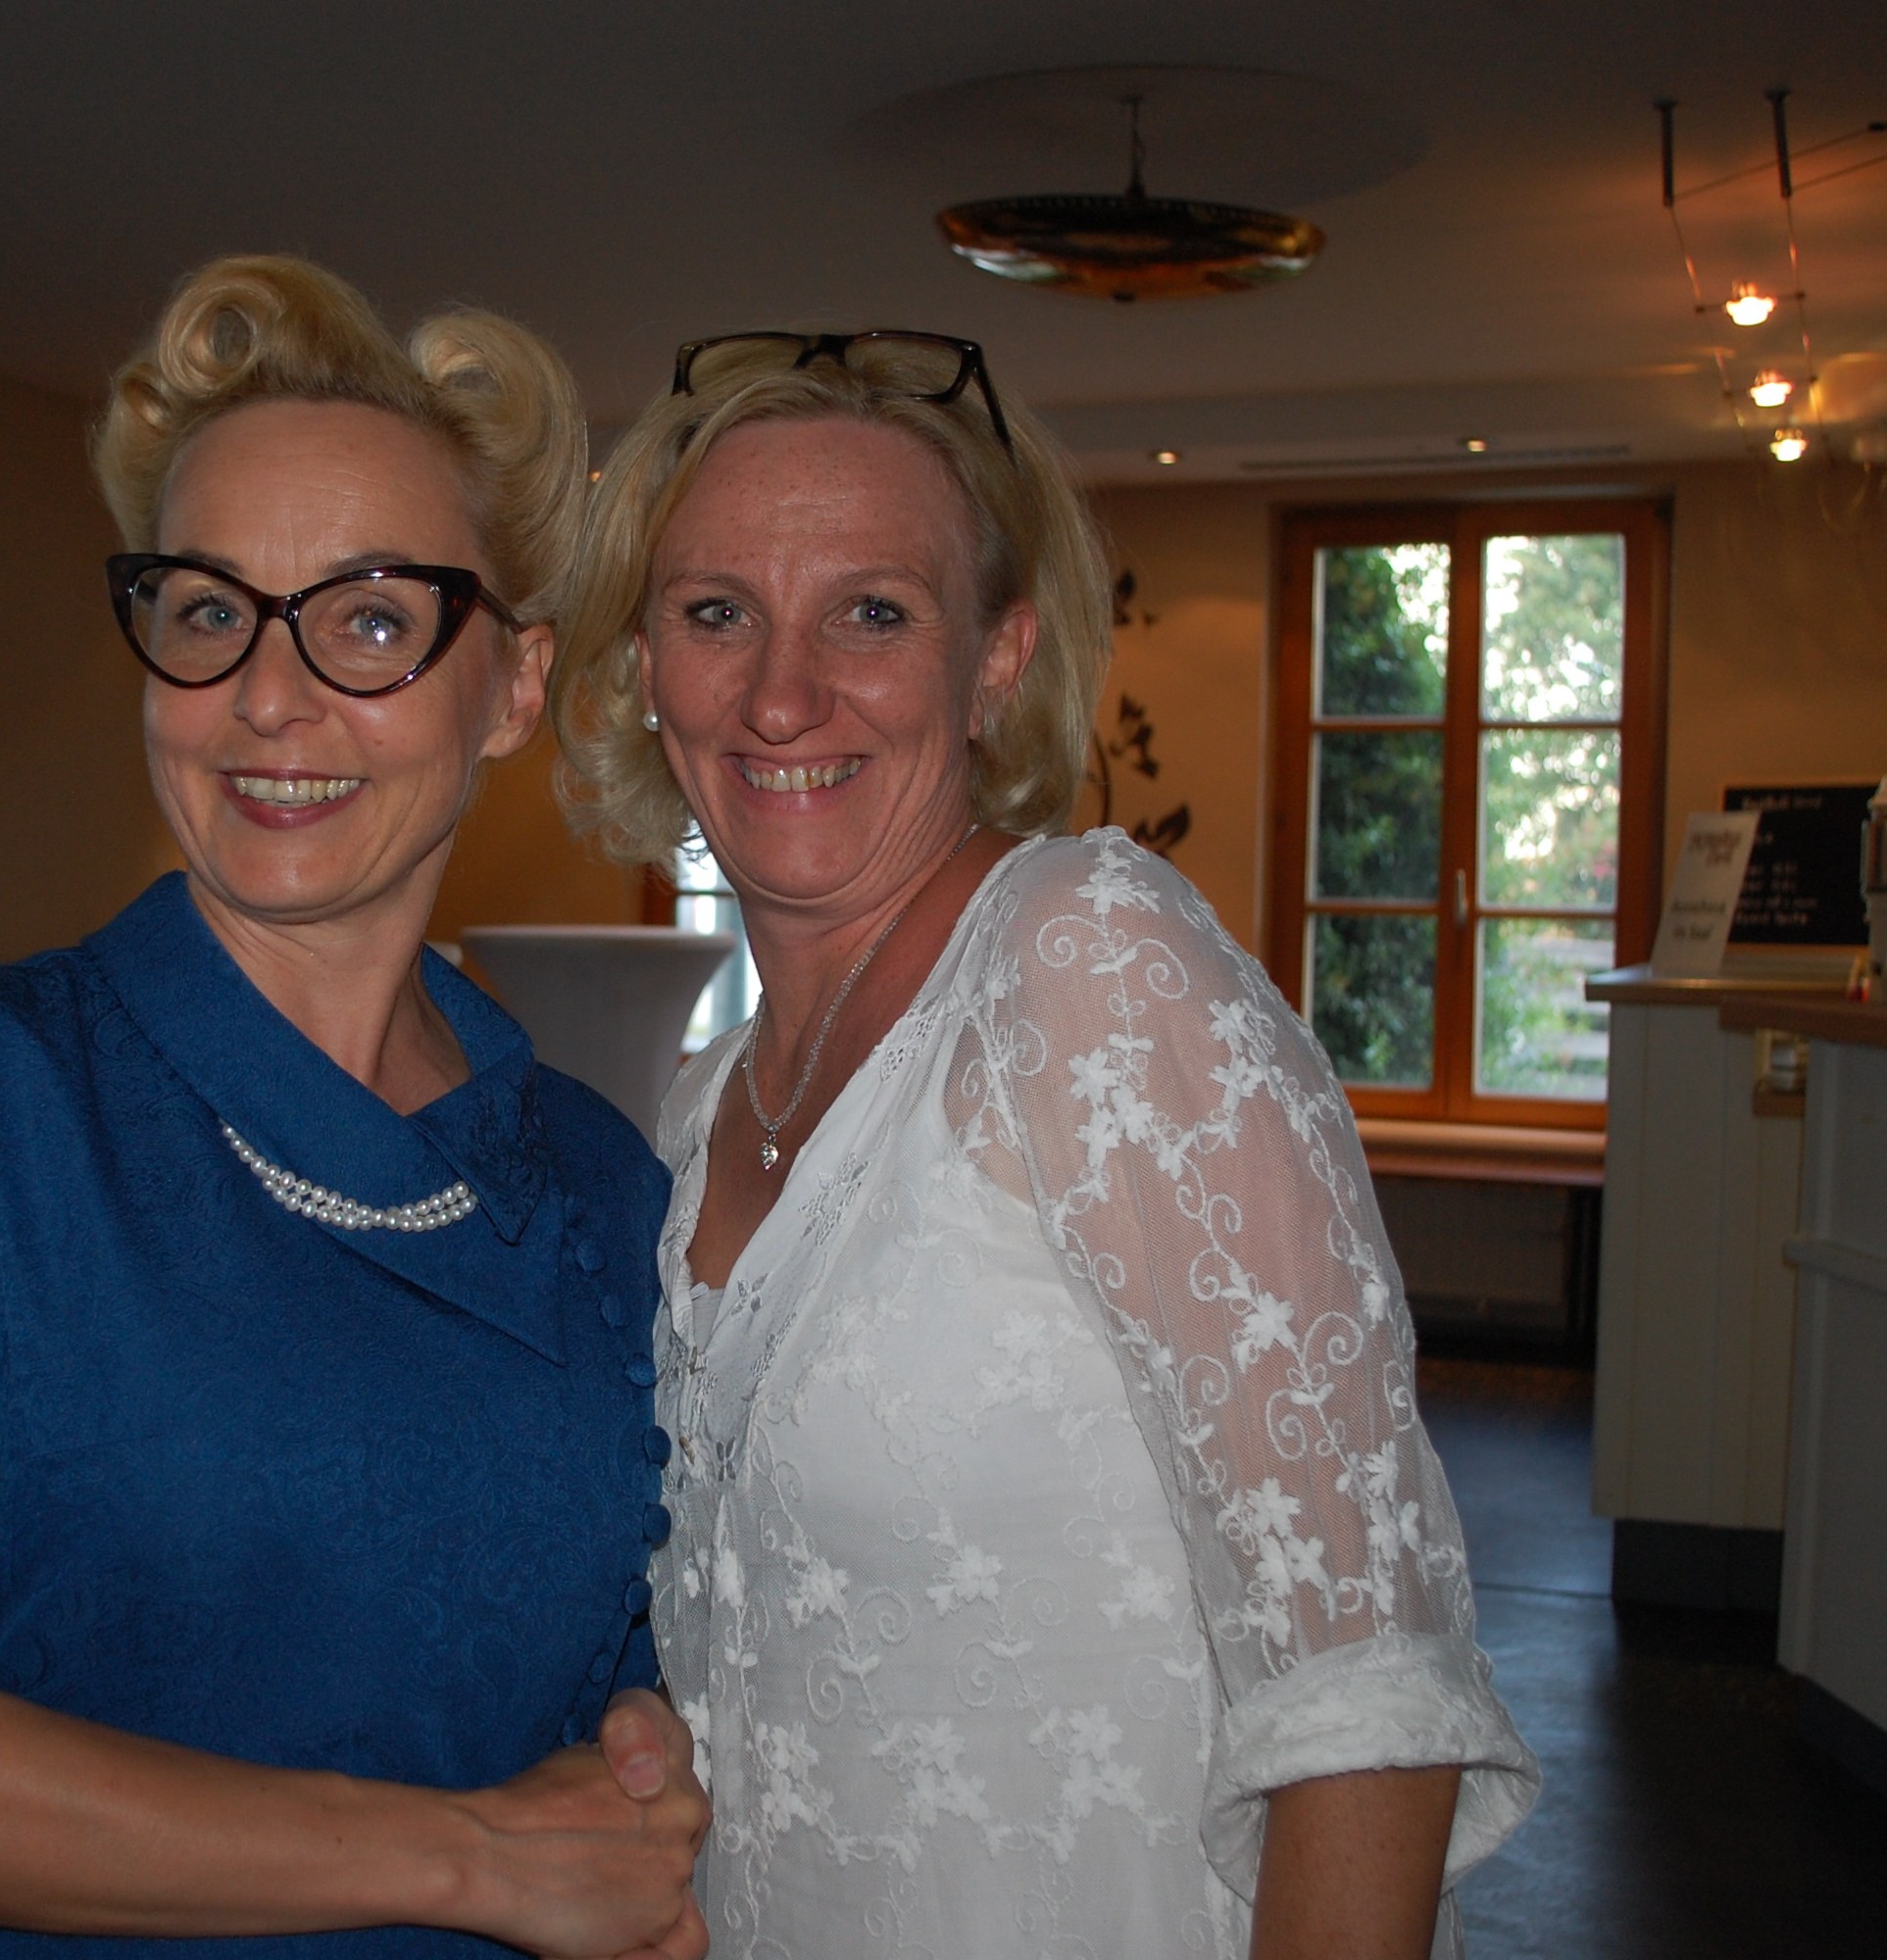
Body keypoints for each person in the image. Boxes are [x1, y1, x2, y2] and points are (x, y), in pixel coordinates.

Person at [0, 257, 708, 1959]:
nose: (268, 694)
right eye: (210, 609)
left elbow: (610, 1636)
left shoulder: (596, 1180)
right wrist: (466, 1858)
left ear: (515, 687)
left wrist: (641, 1751)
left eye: (369, 618)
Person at [550, 330, 1539, 1959]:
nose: (781, 693)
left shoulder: (1087, 969)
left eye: (874, 612)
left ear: (998, 658)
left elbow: (1369, 1690)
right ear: (645, 664)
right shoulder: (703, 1101)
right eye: (715, 611)